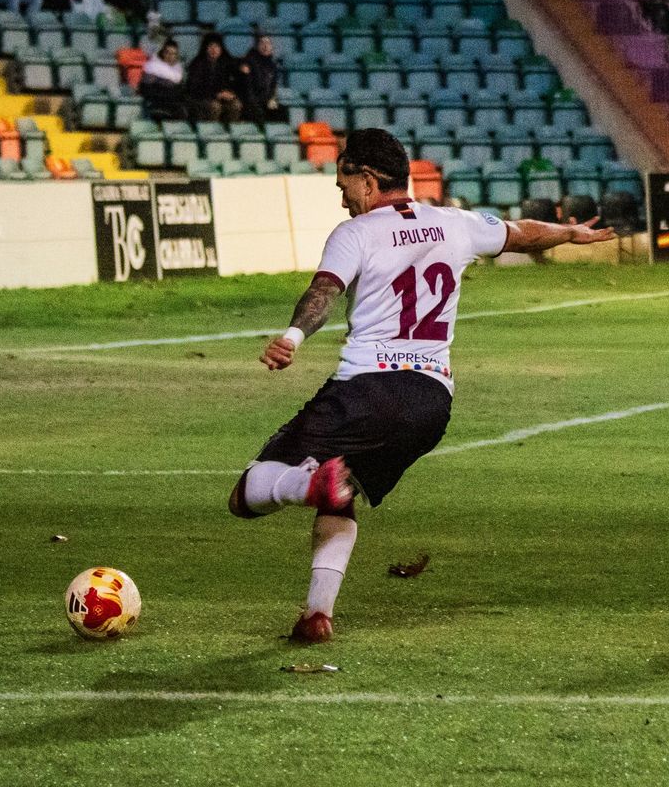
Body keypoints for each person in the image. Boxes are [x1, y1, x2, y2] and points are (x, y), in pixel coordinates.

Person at [228, 128, 615, 643]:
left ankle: (306, 482)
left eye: (344, 182)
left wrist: (293, 335)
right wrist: (568, 233)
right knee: (342, 496)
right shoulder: (453, 222)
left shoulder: (356, 234)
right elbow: (520, 232)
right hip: (430, 403)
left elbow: (323, 290)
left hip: (366, 390)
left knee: (247, 492)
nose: (341, 197)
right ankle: (318, 614)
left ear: (367, 179)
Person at [186, 35, 242, 124]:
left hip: (220, 97)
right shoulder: (197, 64)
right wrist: (216, 94)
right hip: (201, 98)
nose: (214, 49)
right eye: (211, 46)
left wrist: (230, 93)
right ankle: (211, 132)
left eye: (217, 47)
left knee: (236, 105)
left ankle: (229, 132)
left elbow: (233, 82)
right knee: (215, 107)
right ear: (206, 48)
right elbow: (194, 88)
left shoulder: (226, 63)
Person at [236, 33, 282, 124]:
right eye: (262, 43)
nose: (265, 46)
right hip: (251, 101)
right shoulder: (249, 62)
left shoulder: (273, 65)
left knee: (281, 111)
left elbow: (273, 86)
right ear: (257, 46)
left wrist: (271, 99)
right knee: (257, 111)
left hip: (266, 99)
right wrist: (254, 101)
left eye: (268, 43)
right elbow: (247, 88)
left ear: (271, 47)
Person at [138, 39, 187, 120]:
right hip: (157, 104)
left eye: (173, 54)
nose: (170, 56)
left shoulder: (178, 71)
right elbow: (145, 89)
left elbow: (181, 91)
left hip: (174, 106)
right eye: (168, 53)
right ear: (163, 53)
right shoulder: (153, 67)